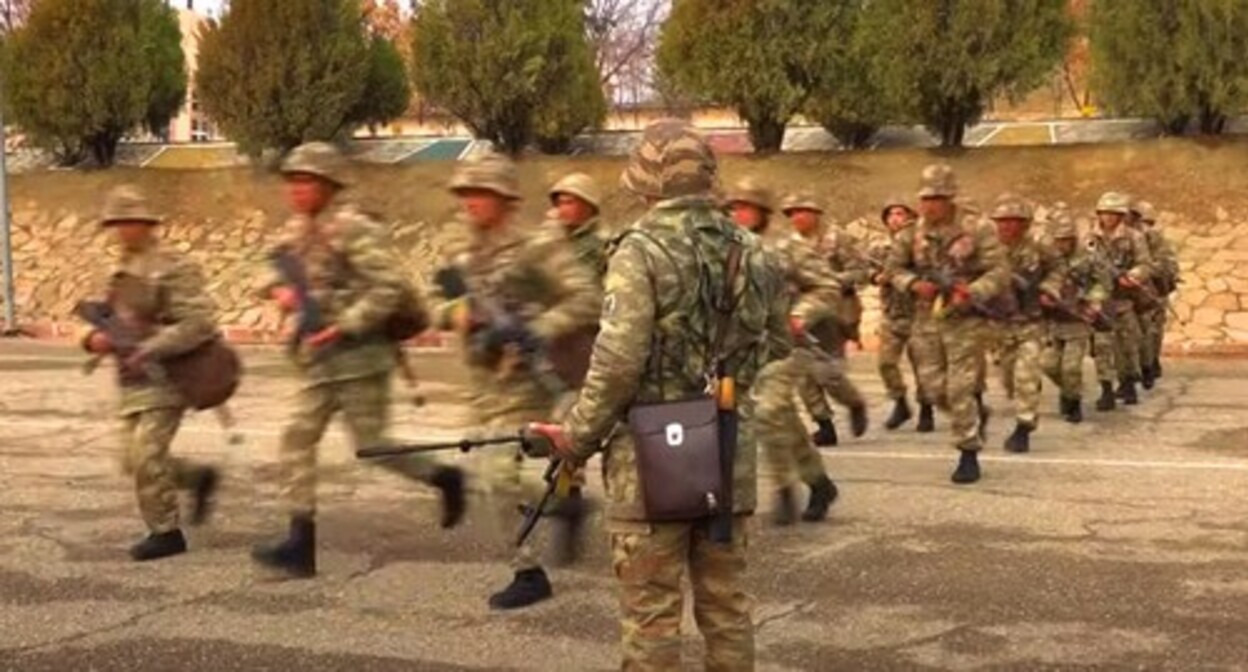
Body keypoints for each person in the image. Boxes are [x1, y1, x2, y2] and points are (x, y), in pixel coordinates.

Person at [530, 119, 789, 670]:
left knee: (651, 614)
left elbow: (618, 361)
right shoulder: (757, 253)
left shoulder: (639, 251)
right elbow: (776, 344)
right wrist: (723, 379)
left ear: (645, 181)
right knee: (726, 608)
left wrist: (577, 437)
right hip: (725, 448)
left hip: (650, 457)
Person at [251, 143, 464, 579]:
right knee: (296, 440)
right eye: (291, 181)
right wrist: (279, 291)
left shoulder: (356, 230)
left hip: (361, 358)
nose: (295, 189)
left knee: (373, 447)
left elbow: (386, 287)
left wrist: (345, 324)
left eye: (305, 181)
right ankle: (300, 543)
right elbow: (266, 270)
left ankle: (443, 476)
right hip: (317, 360)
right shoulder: (295, 232)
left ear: (329, 185)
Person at [438, 152, 602, 608]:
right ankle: (565, 505)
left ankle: (528, 573)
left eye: (481, 193)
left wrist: (537, 329)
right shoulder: (458, 248)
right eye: (465, 192)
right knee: (486, 474)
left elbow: (588, 299)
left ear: (505, 199)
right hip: (482, 378)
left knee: (494, 472)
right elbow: (440, 303)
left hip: (527, 377)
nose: (470, 201)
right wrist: (459, 312)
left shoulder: (537, 246)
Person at [80, 185, 222, 561]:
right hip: (131, 380)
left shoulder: (174, 266)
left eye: (129, 221)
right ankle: (196, 478)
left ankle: (165, 532)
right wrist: (92, 339)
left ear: (146, 222)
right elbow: (102, 316)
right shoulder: (118, 270)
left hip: (168, 376)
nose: (123, 229)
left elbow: (199, 323)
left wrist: (151, 345)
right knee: (132, 459)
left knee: (146, 454)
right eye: (116, 222)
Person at [885, 164, 1009, 484]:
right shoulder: (910, 234)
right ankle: (973, 415)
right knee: (932, 387)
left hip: (964, 318)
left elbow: (998, 272)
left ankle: (968, 452)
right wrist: (913, 284)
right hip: (926, 317)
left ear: (950, 197)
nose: (930, 205)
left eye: (937, 198)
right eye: (926, 198)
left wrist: (973, 291)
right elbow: (893, 269)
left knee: (959, 387)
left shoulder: (977, 229)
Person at [730, 184, 840, 525]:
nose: (738, 214)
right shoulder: (724, 250)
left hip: (787, 344)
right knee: (785, 420)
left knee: (767, 411)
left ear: (763, 212)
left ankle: (784, 489)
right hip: (745, 348)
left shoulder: (786, 247)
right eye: (733, 207)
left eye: (746, 207)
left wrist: (799, 316)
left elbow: (828, 287)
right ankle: (820, 482)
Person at [987, 195, 1063, 453]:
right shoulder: (988, 249)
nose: (1006, 226)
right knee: (1008, 378)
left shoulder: (1040, 247)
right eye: (1001, 221)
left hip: (1031, 322)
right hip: (1001, 325)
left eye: (1013, 221)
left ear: (1026, 224)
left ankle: (1024, 426)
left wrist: (1048, 289)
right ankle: (1025, 395)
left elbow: (1058, 269)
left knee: (1025, 375)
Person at [797, 199, 871, 446]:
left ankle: (854, 402)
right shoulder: (790, 244)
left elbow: (861, 271)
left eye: (802, 212)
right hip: (801, 315)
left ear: (816, 214)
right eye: (792, 213)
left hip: (834, 313)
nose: (797, 218)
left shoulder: (837, 238)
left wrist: (827, 280)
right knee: (802, 373)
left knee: (828, 372)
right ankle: (824, 424)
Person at [870, 196, 936, 432]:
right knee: (886, 364)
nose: (895, 218)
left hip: (919, 313)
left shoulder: (923, 244)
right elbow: (868, 270)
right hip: (892, 314)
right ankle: (900, 403)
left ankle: (926, 410)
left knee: (923, 368)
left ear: (911, 217)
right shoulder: (878, 247)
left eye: (901, 213)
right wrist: (877, 277)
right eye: (891, 214)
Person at [1040, 214, 1110, 423]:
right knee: (1049, 365)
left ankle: (1074, 403)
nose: (1062, 244)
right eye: (1058, 240)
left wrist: (1093, 302)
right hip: (1052, 322)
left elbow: (1103, 283)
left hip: (1077, 320)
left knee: (1071, 367)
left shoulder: (1089, 258)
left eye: (1066, 239)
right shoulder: (1048, 259)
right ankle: (1069, 391)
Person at [1086, 192, 1153, 406]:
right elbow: (1082, 266)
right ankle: (1106, 389)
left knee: (1128, 344)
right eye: (1106, 213)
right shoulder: (1089, 238)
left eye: (1115, 213)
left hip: (1124, 298)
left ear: (1122, 215)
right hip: (1099, 295)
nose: (1109, 217)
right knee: (1102, 345)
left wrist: (1133, 276)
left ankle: (1128, 384)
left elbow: (1145, 264)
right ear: (1099, 213)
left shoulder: (1134, 236)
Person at [1128, 199, 1178, 386]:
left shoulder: (1155, 238)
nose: (1145, 226)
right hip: (1135, 289)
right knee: (1140, 331)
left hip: (1155, 290)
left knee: (1151, 331)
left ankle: (1150, 364)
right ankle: (1142, 366)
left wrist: (1147, 272)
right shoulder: (1131, 237)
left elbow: (1166, 264)